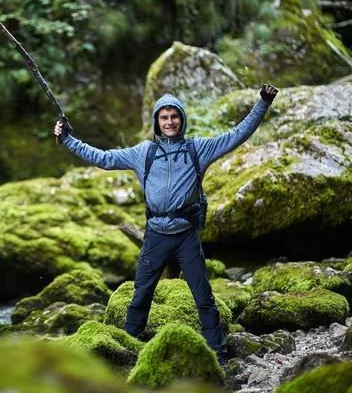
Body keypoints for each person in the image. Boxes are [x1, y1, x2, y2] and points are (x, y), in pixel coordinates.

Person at [53, 84, 279, 367]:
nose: (170, 122)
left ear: (181, 119)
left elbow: (238, 134)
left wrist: (263, 102)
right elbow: (104, 158)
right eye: (164, 117)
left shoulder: (199, 149)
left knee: (203, 297)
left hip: (186, 235)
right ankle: (129, 350)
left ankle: (218, 357)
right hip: (155, 235)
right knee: (140, 296)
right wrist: (69, 141)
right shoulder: (143, 153)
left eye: (174, 116)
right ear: (157, 122)